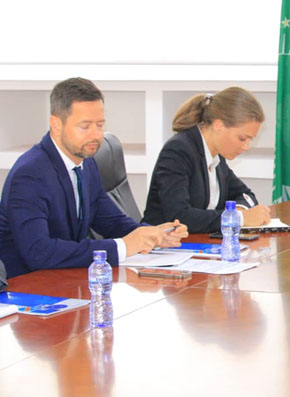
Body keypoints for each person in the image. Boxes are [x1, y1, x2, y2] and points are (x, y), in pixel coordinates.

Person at [0, 77, 188, 279]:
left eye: (99, 125)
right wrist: (123, 247)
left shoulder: (86, 162)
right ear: (56, 124)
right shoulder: (30, 174)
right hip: (27, 285)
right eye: (85, 126)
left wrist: (153, 234)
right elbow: (39, 253)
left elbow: (111, 222)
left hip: (67, 278)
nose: (96, 135)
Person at [143, 87, 271, 233]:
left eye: (250, 140)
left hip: (198, 241)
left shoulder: (216, 156)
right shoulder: (178, 151)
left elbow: (246, 195)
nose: (246, 147)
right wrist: (238, 218)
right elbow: (179, 217)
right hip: (162, 243)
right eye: (242, 138)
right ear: (219, 125)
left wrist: (239, 209)